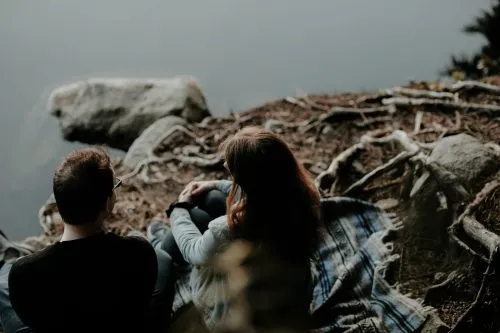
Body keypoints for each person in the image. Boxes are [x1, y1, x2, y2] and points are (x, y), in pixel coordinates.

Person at [148, 127, 323, 330]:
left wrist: (179, 208)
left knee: (193, 220)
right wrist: (214, 184)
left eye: (231, 167)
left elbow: (193, 251)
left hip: (236, 313)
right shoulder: (306, 198)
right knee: (213, 198)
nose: (224, 164)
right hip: (292, 299)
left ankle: (159, 245)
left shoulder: (232, 226)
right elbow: (265, 190)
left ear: (248, 179)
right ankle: (164, 242)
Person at [0, 147, 175, 333]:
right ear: (108, 203)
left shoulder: (24, 274)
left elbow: (32, 320)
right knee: (161, 258)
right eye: (115, 187)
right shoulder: (137, 252)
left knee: (4, 278)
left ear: (58, 207)